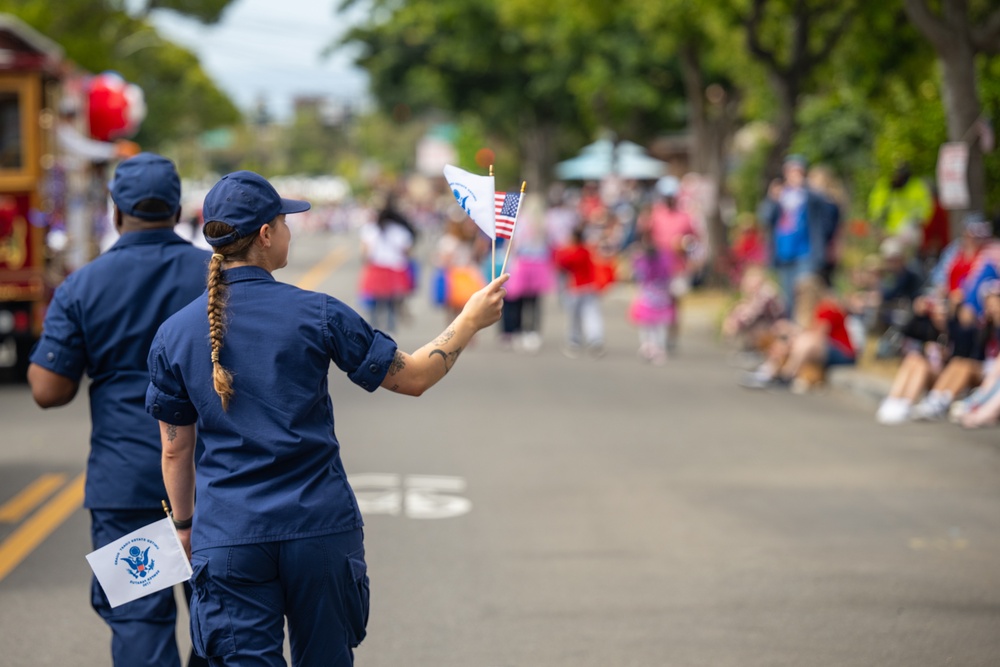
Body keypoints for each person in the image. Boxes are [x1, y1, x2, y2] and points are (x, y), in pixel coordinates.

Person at [145, 171, 507, 666]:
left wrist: (185, 527)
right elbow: (415, 376)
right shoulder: (317, 313)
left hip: (229, 534)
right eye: (285, 221)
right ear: (267, 235)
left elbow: (174, 448)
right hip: (317, 527)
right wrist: (469, 319)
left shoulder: (173, 333)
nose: (290, 231)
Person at [26, 153, 210, 667]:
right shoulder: (217, 277)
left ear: (115, 210)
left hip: (127, 485)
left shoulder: (84, 284)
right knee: (221, 619)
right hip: (215, 481)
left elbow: (47, 389)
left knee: (138, 621)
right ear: (177, 208)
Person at [759, 155, 839, 315]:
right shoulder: (780, 193)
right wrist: (771, 198)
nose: (794, 174)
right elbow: (765, 218)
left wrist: (807, 188)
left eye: (798, 170)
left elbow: (830, 211)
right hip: (784, 254)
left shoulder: (811, 194)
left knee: (805, 294)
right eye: (790, 170)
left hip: (806, 253)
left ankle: (804, 329)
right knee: (788, 297)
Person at [357, 194, 415, 334]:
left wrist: (365, 261)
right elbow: (407, 250)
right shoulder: (400, 230)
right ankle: (390, 324)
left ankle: (373, 325)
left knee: (375, 298)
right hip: (395, 267)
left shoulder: (370, 229)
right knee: (391, 299)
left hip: (377, 266)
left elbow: (365, 250)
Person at [553, 225, 605, 358]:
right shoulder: (586, 251)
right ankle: (595, 338)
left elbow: (560, 264)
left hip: (575, 288)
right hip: (588, 287)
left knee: (573, 317)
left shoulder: (571, 253)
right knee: (591, 315)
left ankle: (574, 340)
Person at [628, 227, 676, 364]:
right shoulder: (664, 258)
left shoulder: (641, 260)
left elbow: (638, 277)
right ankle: (657, 347)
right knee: (659, 325)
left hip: (648, 296)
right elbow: (669, 275)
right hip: (661, 295)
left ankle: (648, 346)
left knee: (647, 324)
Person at [867, 161, 933, 246]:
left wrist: (915, 222)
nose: (898, 178)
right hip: (888, 234)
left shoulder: (917, 187)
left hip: (909, 234)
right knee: (890, 249)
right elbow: (875, 212)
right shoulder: (884, 187)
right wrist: (880, 228)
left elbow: (925, 211)